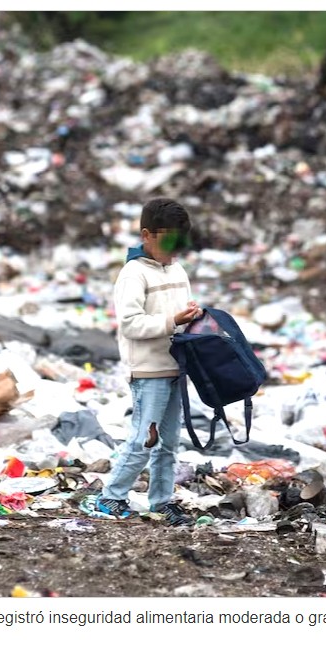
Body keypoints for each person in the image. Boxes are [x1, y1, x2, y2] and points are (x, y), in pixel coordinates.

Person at [98, 197, 201, 526]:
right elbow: (130, 324)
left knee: (169, 443)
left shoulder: (177, 269)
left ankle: (161, 501)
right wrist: (172, 321)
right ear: (147, 235)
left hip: (175, 367)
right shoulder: (133, 274)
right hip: (148, 370)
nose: (175, 249)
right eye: (169, 241)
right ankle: (110, 497)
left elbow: (179, 316)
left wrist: (191, 318)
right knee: (145, 439)